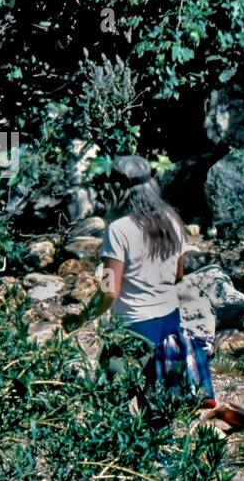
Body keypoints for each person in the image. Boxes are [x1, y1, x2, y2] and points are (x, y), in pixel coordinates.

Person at [83, 155, 214, 405]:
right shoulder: (172, 223)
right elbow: (178, 276)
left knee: (111, 405)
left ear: (118, 189)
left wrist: (84, 316)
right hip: (169, 325)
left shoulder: (118, 230)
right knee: (159, 407)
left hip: (132, 328)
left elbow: (110, 290)